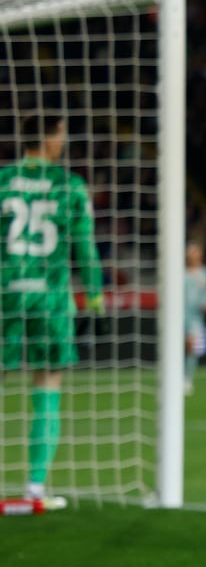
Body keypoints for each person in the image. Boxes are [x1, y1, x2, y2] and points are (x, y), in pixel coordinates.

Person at [0, 114, 104, 509]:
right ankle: (35, 489)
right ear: (50, 136)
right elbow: (85, 247)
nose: (64, 140)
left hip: (6, 294)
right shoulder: (70, 186)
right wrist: (94, 297)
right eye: (62, 133)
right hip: (51, 299)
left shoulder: (2, 182)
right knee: (47, 388)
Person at [183, 241, 206, 397]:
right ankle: (178, 377)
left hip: (195, 316)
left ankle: (187, 379)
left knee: (191, 345)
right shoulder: (180, 273)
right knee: (179, 348)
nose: (193, 256)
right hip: (179, 315)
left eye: (196, 252)